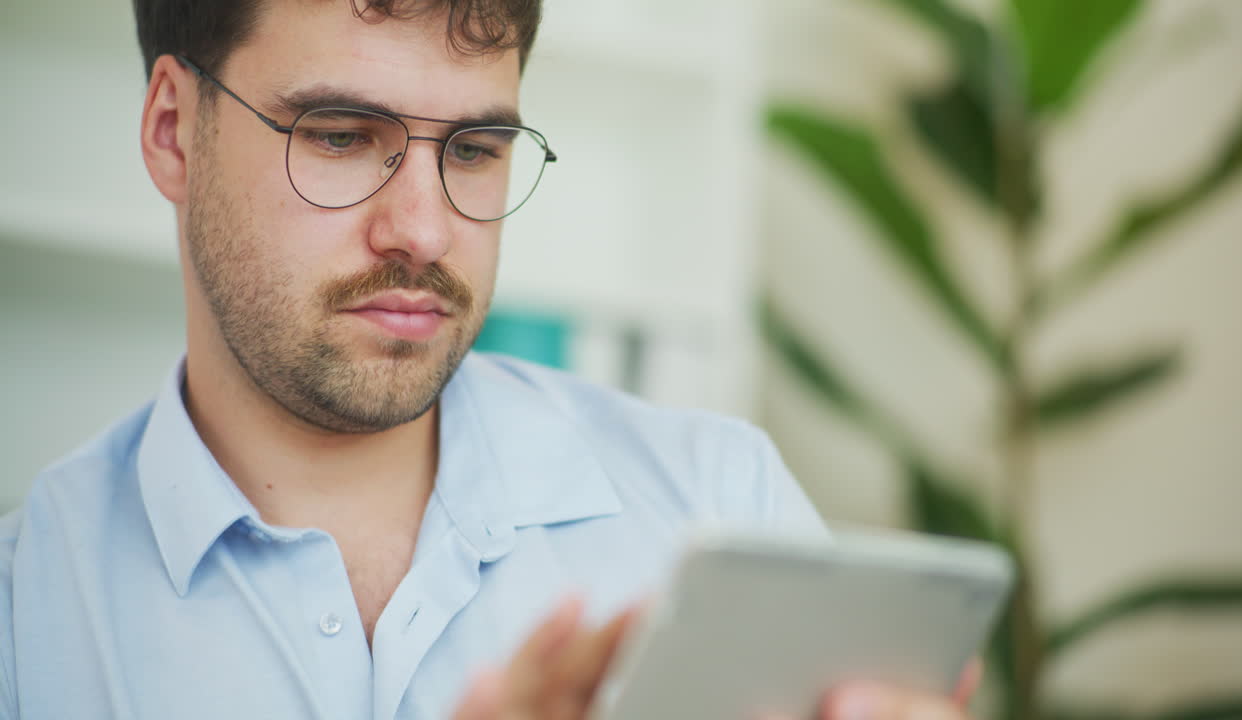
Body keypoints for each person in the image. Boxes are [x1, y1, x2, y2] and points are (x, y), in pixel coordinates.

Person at [0, 0, 982, 717]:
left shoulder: (725, 505)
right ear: (173, 130)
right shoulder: (23, 612)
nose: (423, 232)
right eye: (341, 137)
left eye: (472, 148)